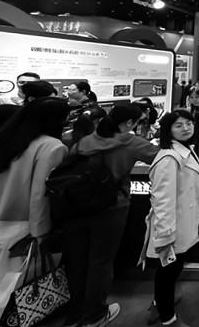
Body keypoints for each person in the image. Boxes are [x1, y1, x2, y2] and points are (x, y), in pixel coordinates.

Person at [62, 104, 159, 327]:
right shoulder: (130, 142)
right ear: (129, 123)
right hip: (112, 206)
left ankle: (75, 314)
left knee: (78, 260)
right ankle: (95, 315)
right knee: (101, 261)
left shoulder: (84, 141)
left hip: (76, 207)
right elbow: (162, 158)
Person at [143, 111, 199, 327]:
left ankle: (159, 303)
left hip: (182, 223)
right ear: (168, 129)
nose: (186, 128)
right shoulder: (169, 158)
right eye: (179, 125)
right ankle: (167, 318)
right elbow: (163, 200)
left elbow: (184, 181)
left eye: (189, 123)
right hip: (172, 227)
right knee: (168, 272)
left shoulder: (184, 151)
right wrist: (165, 235)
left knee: (172, 269)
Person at [0, 98, 68, 241]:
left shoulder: (5, 139)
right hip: (21, 227)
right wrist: (39, 232)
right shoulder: (51, 146)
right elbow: (40, 193)